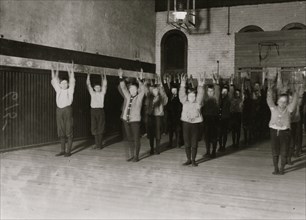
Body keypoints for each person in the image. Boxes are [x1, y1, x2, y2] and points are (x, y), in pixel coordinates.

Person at [266, 74, 300, 175]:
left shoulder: (289, 109)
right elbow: (269, 100)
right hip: (273, 132)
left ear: (286, 103)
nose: (282, 104)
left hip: (285, 133)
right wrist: (270, 89)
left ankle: (282, 169)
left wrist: (295, 91)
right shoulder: (273, 108)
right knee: (275, 151)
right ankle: (276, 169)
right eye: (280, 102)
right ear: (277, 102)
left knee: (284, 151)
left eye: (284, 102)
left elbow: (294, 101)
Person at [118, 68, 145, 162]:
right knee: (129, 139)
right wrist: (121, 77)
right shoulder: (128, 96)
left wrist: (140, 80)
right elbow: (123, 88)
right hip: (126, 120)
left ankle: (136, 156)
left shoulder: (139, 98)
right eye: (131, 89)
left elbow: (143, 89)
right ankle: (132, 155)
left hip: (135, 121)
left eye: (134, 89)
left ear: (137, 90)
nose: (132, 90)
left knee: (136, 138)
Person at [179, 73, 205, 167]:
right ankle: (188, 159)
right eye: (190, 96)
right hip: (186, 124)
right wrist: (182, 84)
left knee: (194, 143)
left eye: (193, 96)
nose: (191, 98)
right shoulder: (184, 102)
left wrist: (201, 85)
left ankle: (193, 160)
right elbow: (181, 94)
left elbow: (201, 94)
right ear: (187, 96)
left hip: (195, 124)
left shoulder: (198, 102)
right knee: (187, 142)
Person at [51, 62, 75, 157]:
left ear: (68, 84)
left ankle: (68, 151)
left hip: (67, 110)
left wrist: (71, 69)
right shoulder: (58, 90)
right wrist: (53, 69)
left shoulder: (70, 90)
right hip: (59, 111)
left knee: (68, 130)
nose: (64, 84)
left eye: (66, 83)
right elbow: (54, 79)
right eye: (62, 83)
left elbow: (72, 79)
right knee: (61, 131)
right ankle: (62, 150)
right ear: (60, 85)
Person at [145, 75, 168, 155]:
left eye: (157, 90)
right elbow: (145, 90)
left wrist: (161, 86)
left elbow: (165, 99)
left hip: (158, 116)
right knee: (151, 133)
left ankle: (157, 149)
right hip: (151, 116)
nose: (155, 92)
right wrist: (145, 82)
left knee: (158, 133)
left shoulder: (161, 98)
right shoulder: (149, 97)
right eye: (154, 90)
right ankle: (151, 148)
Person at [86, 72, 107, 149]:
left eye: (99, 87)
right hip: (93, 111)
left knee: (100, 127)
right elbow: (88, 85)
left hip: (100, 111)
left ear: (100, 88)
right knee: (94, 127)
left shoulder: (102, 93)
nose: (98, 88)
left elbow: (104, 85)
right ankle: (97, 144)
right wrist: (88, 76)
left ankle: (99, 145)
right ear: (94, 88)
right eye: (96, 87)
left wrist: (103, 76)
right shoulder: (92, 93)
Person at [202, 73, 220, 158]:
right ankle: (208, 151)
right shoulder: (205, 99)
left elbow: (217, 91)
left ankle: (213, 152)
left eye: (211, 91)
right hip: (206, 119)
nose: (210, 92)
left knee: (214, 136)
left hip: (214, 119)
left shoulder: (215, 98)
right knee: (206, 136)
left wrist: (215, 82)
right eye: (209, 91)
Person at [164, 75, 183, 149]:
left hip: (177, 116)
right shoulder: (169, 95)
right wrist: (165, 82)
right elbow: (166, 90)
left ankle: (178, 143)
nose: (174, 91)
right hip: (170, 116)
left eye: (175, 90)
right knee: (171, 130)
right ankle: (170, 143)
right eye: (173, 90)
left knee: (177, 130)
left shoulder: (179, 97)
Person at [218, 76, 233, 152]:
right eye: (223, 91)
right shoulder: (220, 98)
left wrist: (231, 84)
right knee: (219, 133)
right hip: (220, 118)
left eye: (225, 92)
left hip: (226, 118)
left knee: (224, 133)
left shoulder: (228, 99)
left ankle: (223, 146)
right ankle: (220, 145)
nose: (224, 93)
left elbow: (231, 93)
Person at [230, 84, 244, 148]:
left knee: (238, 130)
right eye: (236, 93)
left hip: (238, 115)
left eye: (238, 93)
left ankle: (237, 143)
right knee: (233, 130)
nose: (237, 94)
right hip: (233, 115)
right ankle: (233, 143)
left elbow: (241, 108)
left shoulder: (241, 100)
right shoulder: (232, 100)